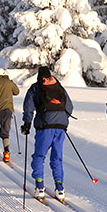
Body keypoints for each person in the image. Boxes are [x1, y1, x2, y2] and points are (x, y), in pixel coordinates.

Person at [20, 66, 72, 201]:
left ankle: (39, 186)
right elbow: (70, 107)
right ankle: (60, 188)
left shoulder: (36, 87)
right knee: (57, 157)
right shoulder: (58, 86)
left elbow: (28, 107)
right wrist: (62, 120)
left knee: (39, 156)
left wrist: (27, 123)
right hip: (61, 127)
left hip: (45, 125)